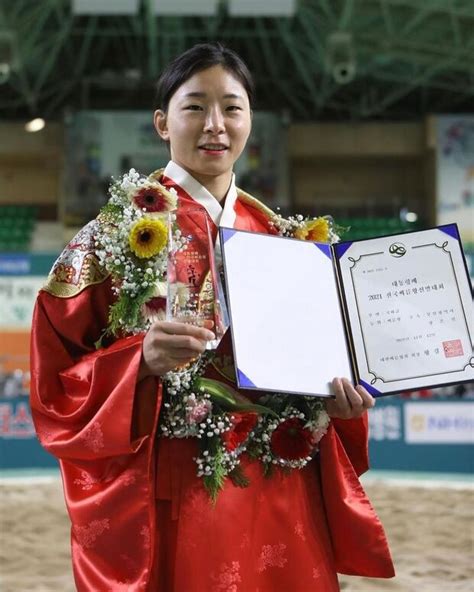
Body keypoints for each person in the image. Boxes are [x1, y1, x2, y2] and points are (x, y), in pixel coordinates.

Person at [30, 43, 394, 591]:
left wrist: (341, 402)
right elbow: (55, 377)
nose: (215, 125)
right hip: (176, 485)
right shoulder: (109, 236)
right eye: (195, 106)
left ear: (251, 120)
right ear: (162, 122)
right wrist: (139, 363)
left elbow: (318, 364)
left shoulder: (285, 239)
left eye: (233, 107)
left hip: (279, 481)